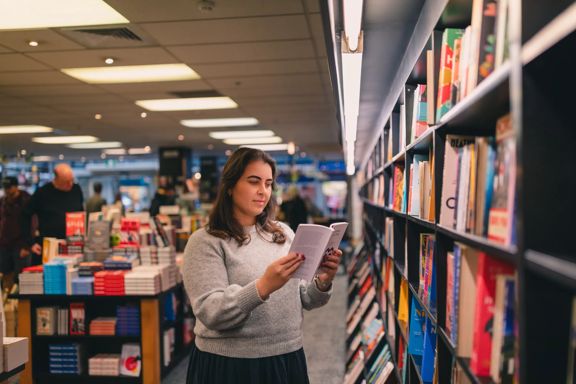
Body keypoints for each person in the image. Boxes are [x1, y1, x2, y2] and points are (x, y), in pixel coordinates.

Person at [182, 148, 342, 384]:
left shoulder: (283, 233)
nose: (262, 192)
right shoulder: (205, 241)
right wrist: (264, 286)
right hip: (229, 364)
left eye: (268, 184)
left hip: (287, 356)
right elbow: (211, 312)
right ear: (230, 186)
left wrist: (323, 280)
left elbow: (305, 299)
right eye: (254, 182)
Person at [22, 163, 84, 265]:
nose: (70, 184)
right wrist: (30, 242)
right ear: (56, 179)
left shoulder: (76, 190)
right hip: (48, 246)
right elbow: (24, 215)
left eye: (72, 180)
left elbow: (81, 214)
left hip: (73, 245)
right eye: (66, 182)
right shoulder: (43, 193)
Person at [0, 177, 32, 293]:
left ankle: (20, 303)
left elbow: (32, 223)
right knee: (5, 272)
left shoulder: (26, 200)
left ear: (16, 186)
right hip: (5, 244)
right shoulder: (3, 201)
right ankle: (6, 299)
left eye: (9, 187)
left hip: (21, 244)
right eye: (5, 188)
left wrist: (28, 245)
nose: (7, 190)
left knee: (21, 275)